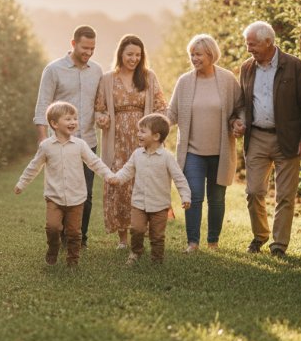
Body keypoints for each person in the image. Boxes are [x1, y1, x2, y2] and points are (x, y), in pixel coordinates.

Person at [232, 21, 301, 257]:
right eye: (247, 44)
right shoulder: (247, 68)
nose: (249, 49)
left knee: (285, 196)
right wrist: (237, 121)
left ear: (268, 42)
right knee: (254, 191)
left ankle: (279, 245)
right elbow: (241, 103)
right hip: (257, 136)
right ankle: (260, 235)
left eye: (253, 44)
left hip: (287, 138)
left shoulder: (294, 66)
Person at [167, 34, 242, 253]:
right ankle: (192, 242)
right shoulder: (185, 82)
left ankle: (213, 241)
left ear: (211, 55)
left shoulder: (227, 79)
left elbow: (240, 108)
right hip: (193, 151)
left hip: (220, 150)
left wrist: (239, 122)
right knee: (194, 196)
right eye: (192, 54)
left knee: (217, 198)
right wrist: (157, 126)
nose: (194, 58)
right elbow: (172, 113)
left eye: (198, 54)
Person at [15, 101, 115, 267]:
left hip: (76, 197)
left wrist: (109, 176)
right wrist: (21, 183)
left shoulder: (80, 145)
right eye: (68, 119)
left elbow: (95, 162)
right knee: (53, 228)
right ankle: (53, 248)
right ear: (54, 124)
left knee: (75, 232)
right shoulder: (46, 146)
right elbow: (34, 166)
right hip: (54, 197)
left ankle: (73, 260)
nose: (73, 122)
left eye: (75, 119)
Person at [94, 35, 167, 250]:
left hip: (143, 138)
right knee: (119, 183)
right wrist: (102, 118)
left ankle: (142, 231)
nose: (134, 58)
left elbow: (161, 106)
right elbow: (99, 108)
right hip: (116, 140)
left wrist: (156, 132)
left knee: (142, 182)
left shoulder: (148, 77)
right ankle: (123, 238)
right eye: (129, 54)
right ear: (120, 54)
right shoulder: (108, 79)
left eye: (138, 54)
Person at [33, 25, 104, 249]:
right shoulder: (53, 70)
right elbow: (42, 105)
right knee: (61, 194)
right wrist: (44, 140)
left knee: (86, 194)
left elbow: (99, 105)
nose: (89, 53)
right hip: (60, 144)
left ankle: (79, 239)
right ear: (73, 44)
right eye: (85, 48)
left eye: (92, 48)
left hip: (88, 142)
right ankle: (61, 236)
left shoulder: (97, 70)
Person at [108, 113, 190, 264]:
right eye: (139, 130)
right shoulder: (137, 154)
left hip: (160, 205)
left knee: (157, 235)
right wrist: (116, 178)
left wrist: (185, 196)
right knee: (137, 230)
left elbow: (179, 179)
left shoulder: (167, 157)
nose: (138, 134)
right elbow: (127, 170)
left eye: (142, 131)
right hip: (139, 203)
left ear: (156, 136)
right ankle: (135, 253)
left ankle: (156, 259)